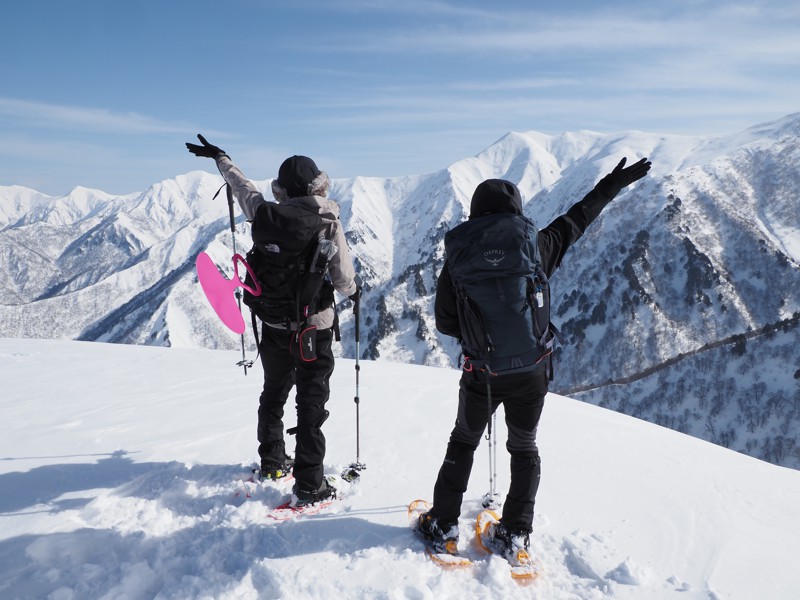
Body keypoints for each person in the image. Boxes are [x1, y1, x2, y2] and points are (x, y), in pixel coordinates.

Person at [418, 157, 652, 557]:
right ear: (517, 211)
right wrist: (612, 185)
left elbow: (443, 322)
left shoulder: (458, 260)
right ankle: (515, 532)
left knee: (463, 443)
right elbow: (578, 220)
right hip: (531, 372)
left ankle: (442, 524)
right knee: (524, 448)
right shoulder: (536, 248)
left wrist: (476, 336)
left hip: (481, 373)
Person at [186, 134, 360, 505]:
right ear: (317, 185)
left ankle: (273, 462)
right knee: (311, 403)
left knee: (274, 393)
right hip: (314, 328)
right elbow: (344, 281)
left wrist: (221, 157)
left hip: (273, 324)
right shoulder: (327, 220)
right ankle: (311, 483)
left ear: (281, 188)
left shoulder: (264, 214)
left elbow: (241, 188)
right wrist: (355, 291)